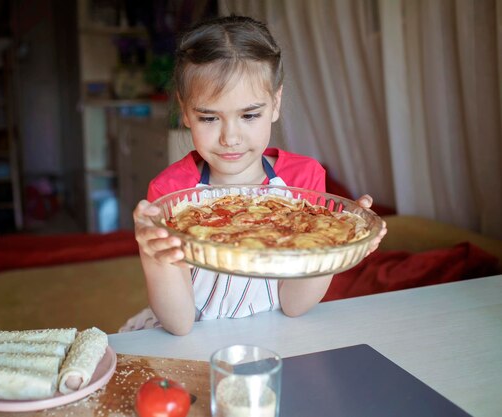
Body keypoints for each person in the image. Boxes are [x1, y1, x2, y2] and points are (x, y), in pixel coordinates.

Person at [124, 15, 387, 335]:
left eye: (249, 115)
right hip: (193, 336)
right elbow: (180, 325)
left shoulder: (303, 180)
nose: (230, 137)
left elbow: (294, 306)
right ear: (185, 111)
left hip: (275, 334)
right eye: (209, 118)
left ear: (275, 103)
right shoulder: (170, 191)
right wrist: (154, 257)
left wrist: (334, 243)